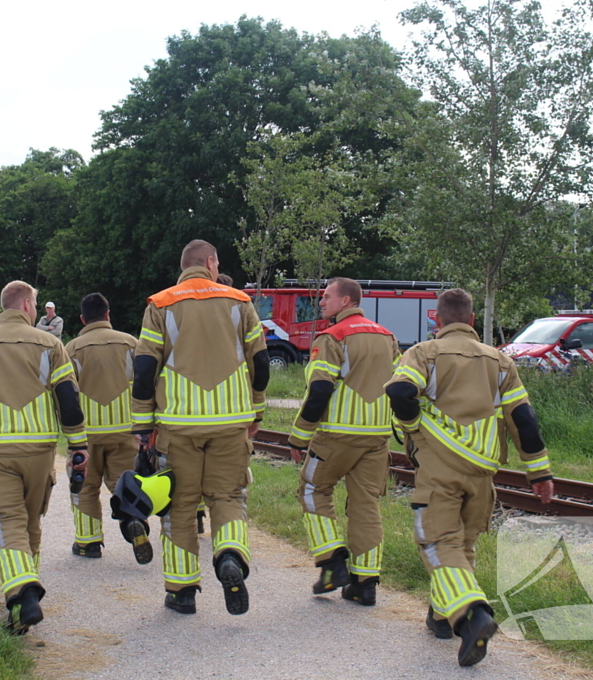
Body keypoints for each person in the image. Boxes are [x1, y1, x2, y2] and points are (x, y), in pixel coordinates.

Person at [385, 288, 555, 668]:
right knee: (462, 544)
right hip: (482, 472)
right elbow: (523, 420)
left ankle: (472, 613)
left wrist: (412, 426)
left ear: (437, 319)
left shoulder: (424, 353)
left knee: (435, 541)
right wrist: (538, 472)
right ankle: (441, 618)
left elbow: (399, 390)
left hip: (440, 469)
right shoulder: (500, 362)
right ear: (473, 320)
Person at [132, 239, 270, 615]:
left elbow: (144, 369)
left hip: (179, 426)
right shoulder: (240, 302)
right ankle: (230, 555)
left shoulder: (160, 304)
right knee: (228, 497)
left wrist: (143, 424)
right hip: (230, 425)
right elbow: (261, 361)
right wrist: (255, 411)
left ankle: (182, 591)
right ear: (210, 262)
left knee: (180, 505)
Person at [0, 281, 89, 635]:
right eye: (35, 304)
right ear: (26, 306)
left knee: (4, 521)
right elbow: (68, 400)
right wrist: (77, 445)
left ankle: (22, 591)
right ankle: (23, 607)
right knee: (28, 523)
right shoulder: (52, 345)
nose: (37, 310)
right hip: (39, 450)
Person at [287, 278, 400, 607]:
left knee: (312, 490)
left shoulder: (332, 337)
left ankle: (331, 561)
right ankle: (365, 585)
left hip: (337, 435)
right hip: (377, 437)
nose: (321, 303)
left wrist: (301, 434)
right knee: (366, 504)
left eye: (326, 297)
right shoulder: (388, 337)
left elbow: (320, 390)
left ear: (346, 300)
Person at [65, 292, 151, 563]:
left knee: (86, 487)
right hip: (126, 430)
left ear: (82, 318)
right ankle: (132, 522)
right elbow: (147, 383)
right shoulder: (131, 344)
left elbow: (65, 393)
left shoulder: (72, 349)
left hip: (87, 435)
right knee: (123, 483)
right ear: (108, 314)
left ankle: (88, 543)